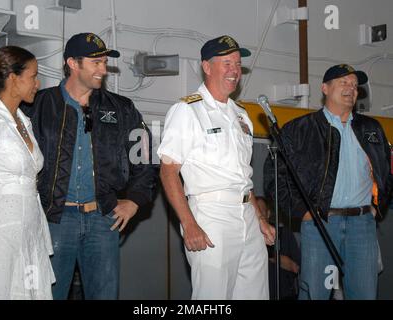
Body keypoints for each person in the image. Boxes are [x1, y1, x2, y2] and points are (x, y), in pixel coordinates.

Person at [21, 33, 157, 300]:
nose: (103, 70)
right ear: (73, 63)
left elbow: (146, 158)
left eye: (104, 62)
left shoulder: (122, 108)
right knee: (47, 295)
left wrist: (135, 200)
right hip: (53, 220)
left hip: (102, 220)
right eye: (96, 63)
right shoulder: (38, 105)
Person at [157, 35, 275, 300]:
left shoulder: (242, 115)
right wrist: (189, 224)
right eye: (227, 63)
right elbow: (168, 171)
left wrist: (260, 218)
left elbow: (244, 177)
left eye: (237, 63)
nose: (234, 70)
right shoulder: (187, 110)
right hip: (211, 215)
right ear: (207, 67)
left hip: (247, 215)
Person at [264, 64, 393, 300]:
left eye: (354, 85)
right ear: (325, 88)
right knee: (315, 293)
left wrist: (376, 207)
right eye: (343, 82)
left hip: (362, 225)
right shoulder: (300, 129)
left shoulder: (371, 128)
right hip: (320, 223)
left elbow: (387, 171)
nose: (351, 89)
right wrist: (303, 212)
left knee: (365, 294)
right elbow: (276, 177)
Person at [0, 46, 55, 299]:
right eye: (33, 76)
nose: (38, 83)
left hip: (31, 229)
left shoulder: (24, 121)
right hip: (0, 231)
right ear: (13, 78)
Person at [256, 197, 300, 300]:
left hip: (283, 294)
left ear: (268, 214)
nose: (257, 216)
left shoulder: (284, 234)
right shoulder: (244, 238)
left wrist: (271, 255)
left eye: (260, 212)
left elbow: (295, 268)